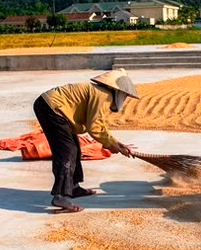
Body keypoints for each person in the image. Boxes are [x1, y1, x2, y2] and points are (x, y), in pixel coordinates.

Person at [33, 69, 138, 214]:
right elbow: (94, 127)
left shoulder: (100, 93)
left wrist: (116, 143)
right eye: (125, 95)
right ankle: (60, 196)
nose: (125, 98)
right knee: (67, 151)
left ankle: (74, 187)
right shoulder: (103, 95)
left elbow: (98, 124)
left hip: (52, 108)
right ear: (117, 91)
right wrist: (112, 145)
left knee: (74, 147)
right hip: (50, 108)